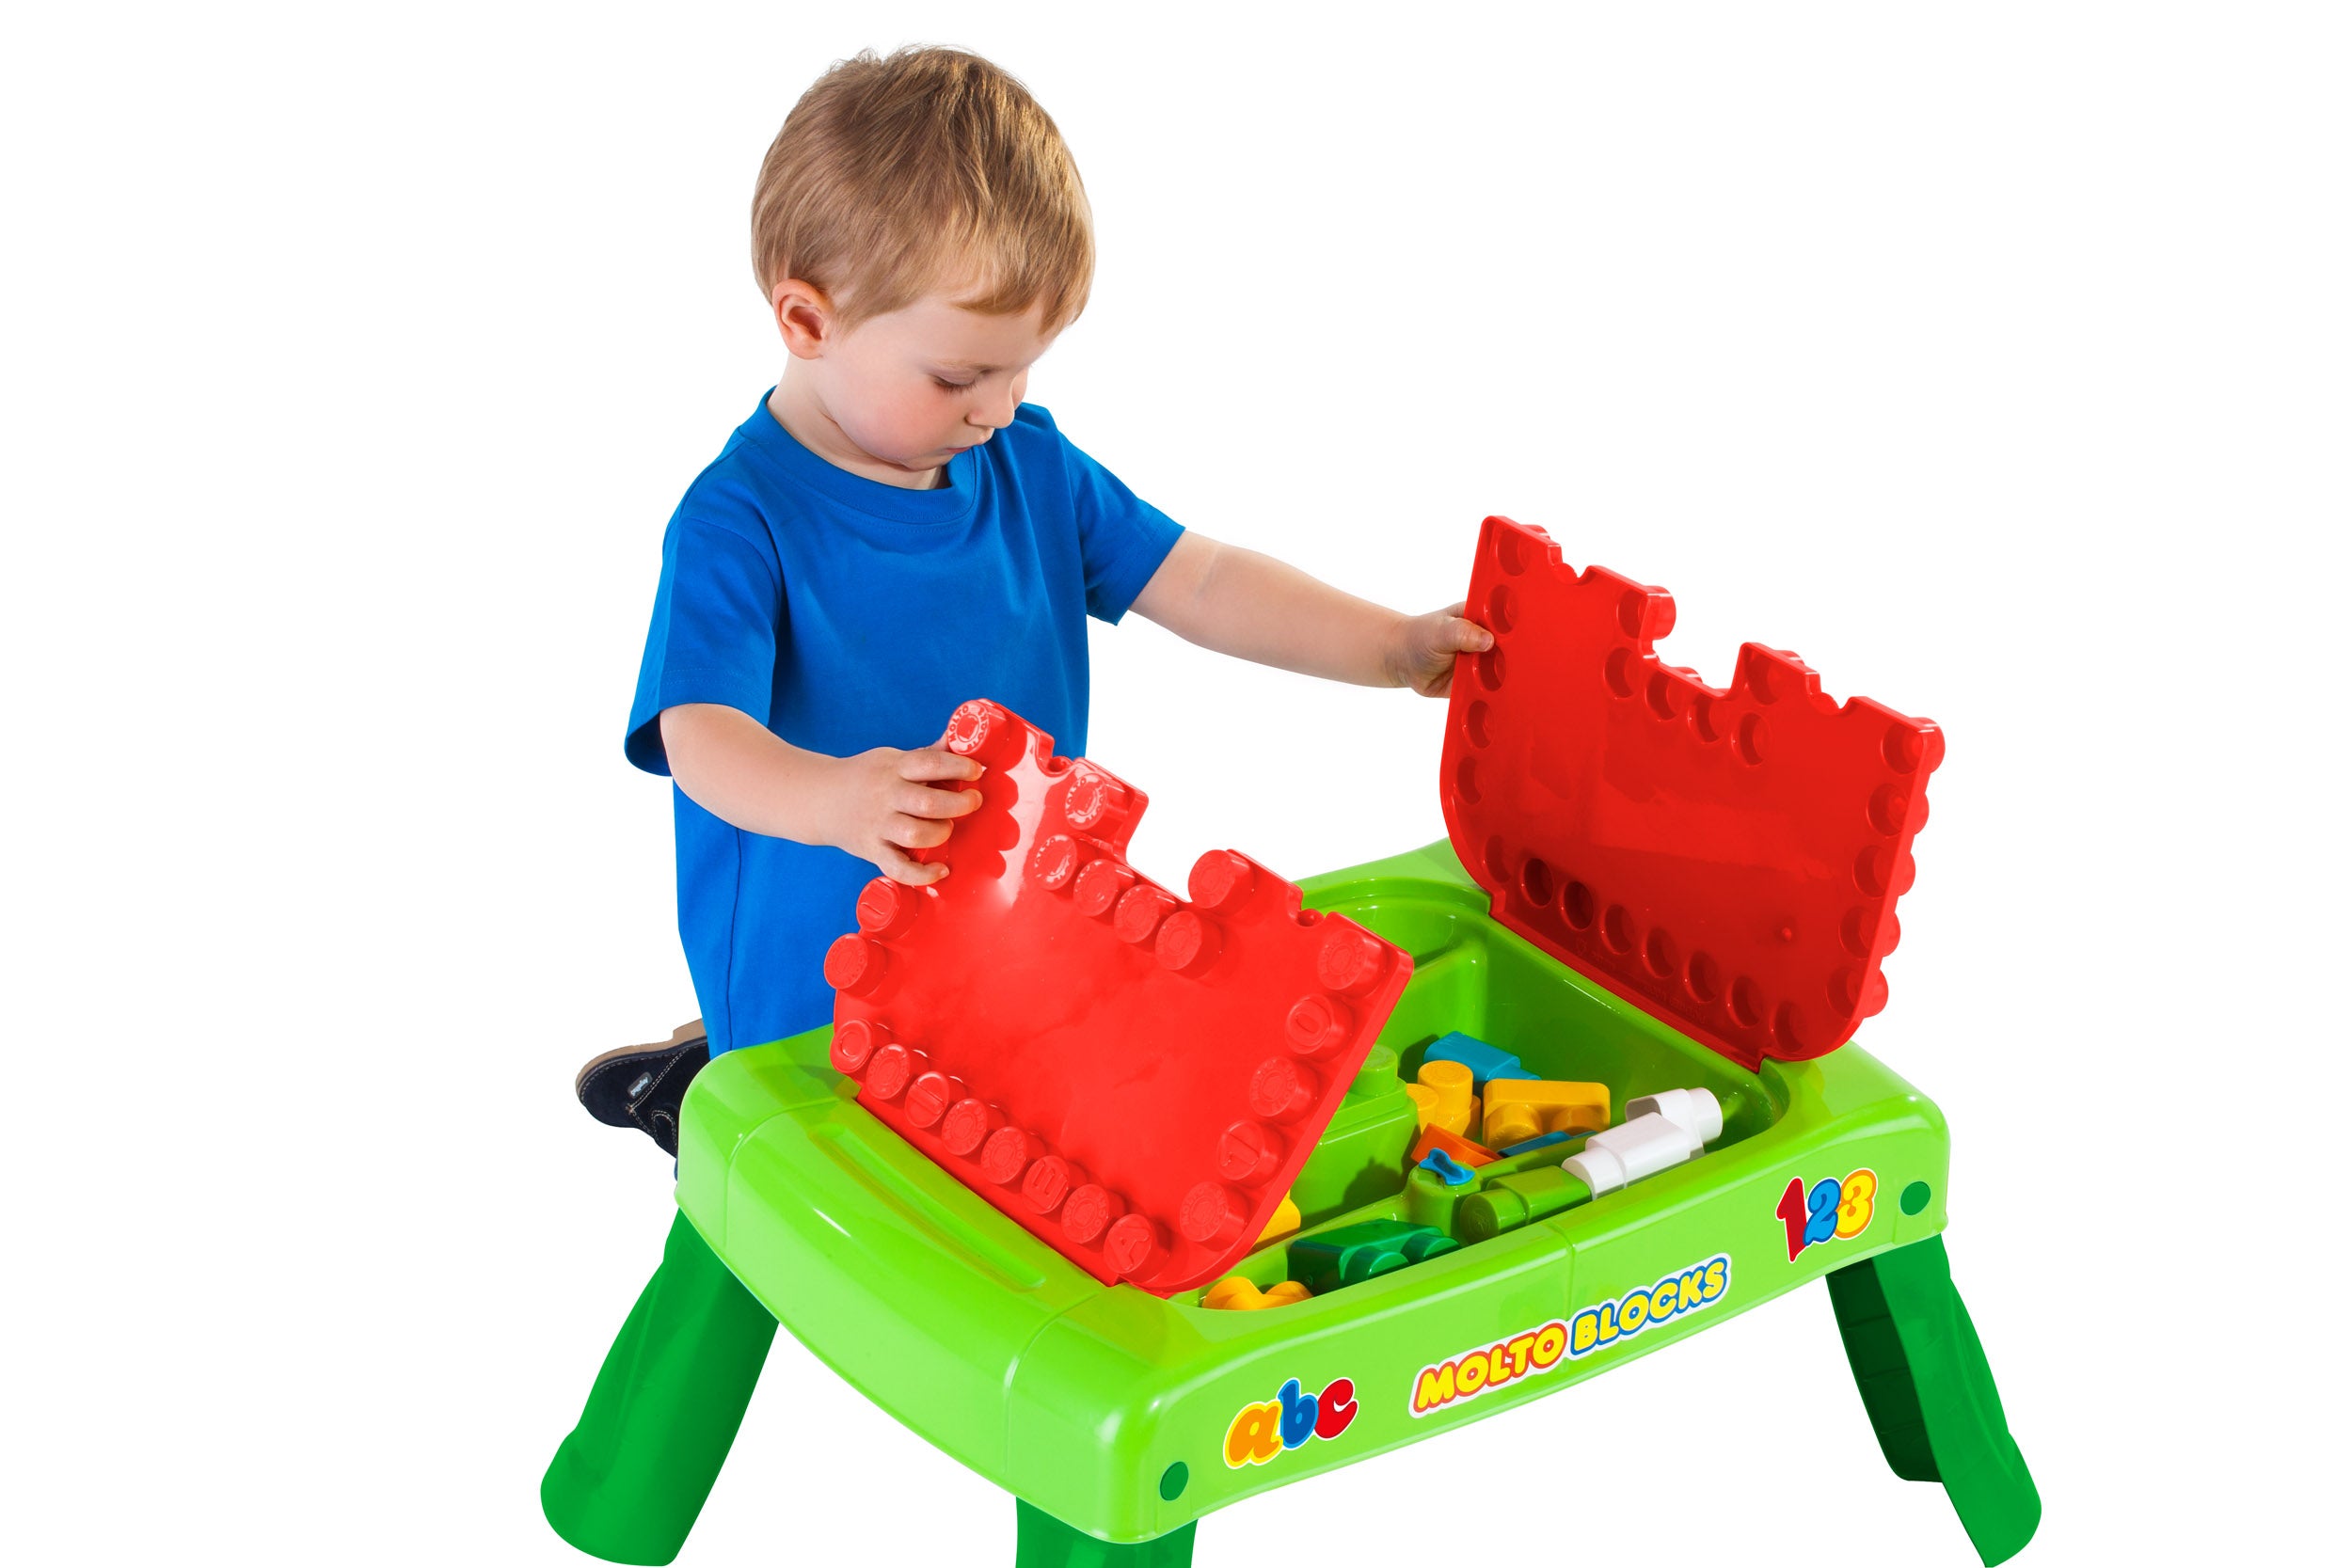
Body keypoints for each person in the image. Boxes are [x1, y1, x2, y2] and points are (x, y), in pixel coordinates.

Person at [545, 46, 1489, 1566]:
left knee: (1092, 1241)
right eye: (959, 375)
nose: (999, 407)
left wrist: (1386, 646)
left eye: (1024, 369)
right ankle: (627, 1442)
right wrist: (838, 797)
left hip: (1013, 977)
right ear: (806, 317)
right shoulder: (740, 520)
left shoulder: (1027, 469)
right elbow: (699, 737)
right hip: (809, 1004)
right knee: (743, 1238)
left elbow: (1198, 578)